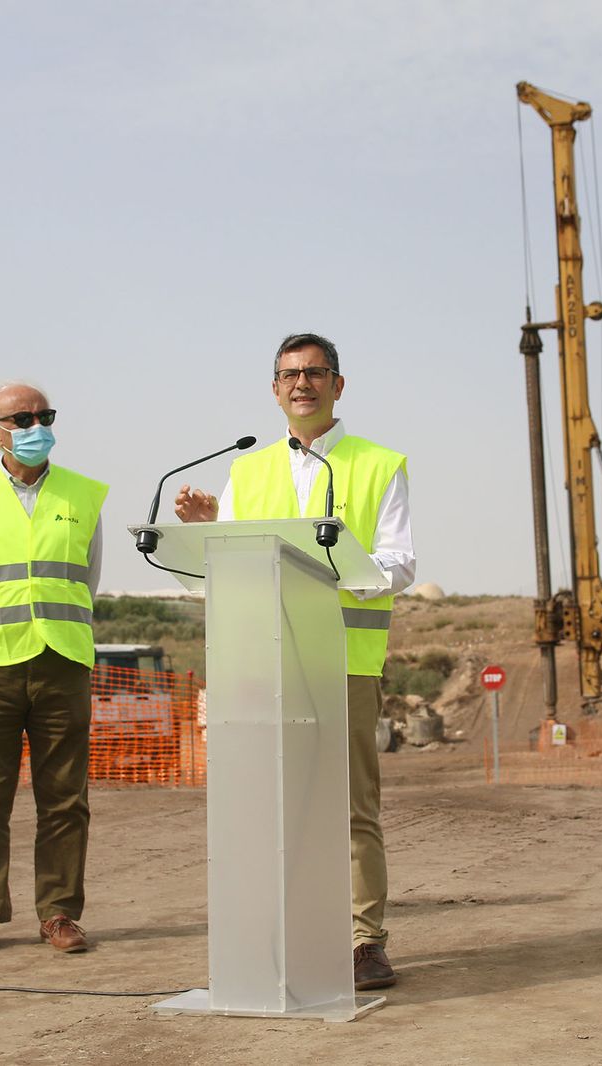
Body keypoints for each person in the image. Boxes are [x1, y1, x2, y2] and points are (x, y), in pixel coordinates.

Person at [174, 332, 415, 991]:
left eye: (314, 373)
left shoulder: (377, 462)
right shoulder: (247, 470)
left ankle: (365, 942)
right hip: (264, 662)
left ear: (339, 385)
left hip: (343, 659)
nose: (301, 384)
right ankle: (276, 934)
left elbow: (399, 563)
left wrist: (333, 571)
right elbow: (231, 559)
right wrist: (208, 528)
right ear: (274, 389)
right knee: (266, 805)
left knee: (349, 807)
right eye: (288, 375)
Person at [0, 380, 109, 957]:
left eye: (44, 415)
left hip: (61, 661)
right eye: (23, 418)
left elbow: (88, 576)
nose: (37, 427)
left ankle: (59, 913)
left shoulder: (84, 495)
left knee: (65, 799)